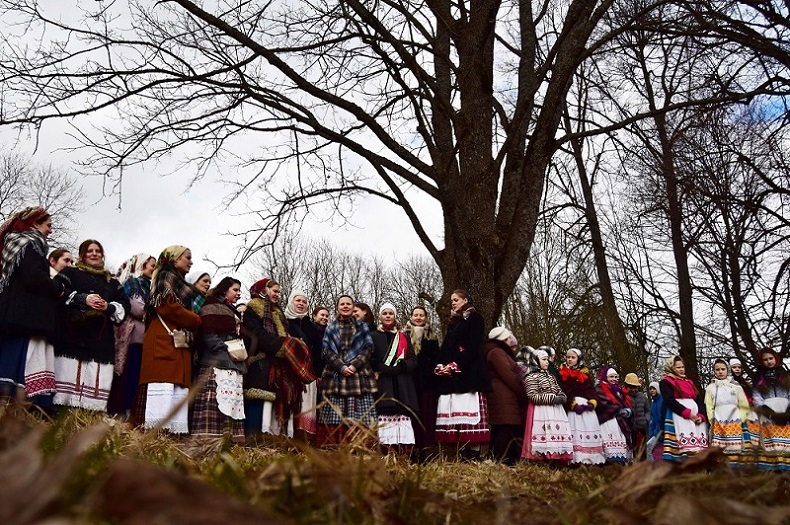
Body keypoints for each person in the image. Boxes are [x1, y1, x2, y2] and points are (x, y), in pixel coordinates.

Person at [132, 246, 203, 434]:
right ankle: (155, 436)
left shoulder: (178, 281)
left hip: (176, 339)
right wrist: (194, 319)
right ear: (174, 258)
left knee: (176, 387)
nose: (191, 261)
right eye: (187, 257)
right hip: (163, 337)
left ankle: (171, 435)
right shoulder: (166, 276)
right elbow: (166, 305)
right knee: (162, 383)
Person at [0, 207, 65, 409]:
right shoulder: (27, 245)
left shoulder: (22, 245)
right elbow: (34, 278)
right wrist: (58, 287)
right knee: (15, 361)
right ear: (35, 223)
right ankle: (11, 405)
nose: (50, 230)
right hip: (23, 317)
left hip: (21, 317)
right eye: (48, 225)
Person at [53, 239, 129, 412]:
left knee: (94, 388)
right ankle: (62, 416)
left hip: (100, 339)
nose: (94, 254)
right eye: (89, 251)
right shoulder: (70, 273)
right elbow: (57, 291)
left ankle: (88, 421)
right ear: (82, 254)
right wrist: (82, 298)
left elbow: (124, 305)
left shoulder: (112, 282)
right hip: (71, 335)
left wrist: (107, 306)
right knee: (67, 384)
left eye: (98, 251)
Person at [243, 279, 315, 440]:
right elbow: (257, 336)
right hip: (260, 363)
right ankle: (254, 440)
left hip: (278, 365)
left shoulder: (278, 313)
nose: (278, 295)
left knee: (276, 403)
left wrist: (290, 344)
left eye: (279, 292)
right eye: (275, 291)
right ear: (264, 290)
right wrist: (283, 346)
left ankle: (273, 440)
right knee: (259, 399)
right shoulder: (252, 309)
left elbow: (283, 335)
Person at [434, 290, 491, 460]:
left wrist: (456, 364)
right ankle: (457, 456)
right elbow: (446, 347)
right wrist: (441, 365)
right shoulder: (453, 322)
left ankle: (472, 456)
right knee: (457, 417)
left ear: (465, 300)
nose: (453, 303)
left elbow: (474, 346)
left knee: (469, 416)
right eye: (451, 300)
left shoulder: (475, 318)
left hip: (470, 375)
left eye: (456, 300)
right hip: (454, 378)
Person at [318, 294, 377, 445]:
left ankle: (359, 448)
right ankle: (333, 449)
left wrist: (353, 365)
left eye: (348, 304)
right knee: (334, 414)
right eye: (342, 304)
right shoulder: (331, 327)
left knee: (360, 415)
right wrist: (342, 366)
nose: (345, 306)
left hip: (358, 377)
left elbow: (368, 349)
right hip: (335, 376)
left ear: (352, 307)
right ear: (337, 307)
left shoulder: (362, 326)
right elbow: (326, 352)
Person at [192, 277, 247, 442]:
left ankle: (227, 440)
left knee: (231, 402)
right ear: (225, 290)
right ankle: (209, 439)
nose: (238, 293)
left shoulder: (232, 310)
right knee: (214, 400)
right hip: (215, 361)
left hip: (233, 362)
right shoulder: (211, 304)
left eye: (239, 290)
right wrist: (224, 348)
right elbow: (207, 333)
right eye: (235, 290)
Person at [107, 253, 155, 416]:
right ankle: (126, 410)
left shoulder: (151, 287)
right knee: (131, 374)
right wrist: (156, 314)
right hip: (135, 337)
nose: (154, 270)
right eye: (152, 265)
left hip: (147, 337)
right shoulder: (133, 283)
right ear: (142, 265)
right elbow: (137, 307)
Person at [372, 302, 419, 454]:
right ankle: (386, 454)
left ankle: (403, 455)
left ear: (395, 316)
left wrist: (401, 367)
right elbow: (370, 358)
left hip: (402, 383)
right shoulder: (373, 336)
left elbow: (413, 359)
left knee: (402, 419)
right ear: (380, 316)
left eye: (390, 313)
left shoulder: (403, 337)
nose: (387, 316)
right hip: (384, 384)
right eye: (385, 313)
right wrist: (380, 367)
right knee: (385, 418)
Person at [521, 348, 573, 462]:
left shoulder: (550, 376)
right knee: (542, 432)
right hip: (541, 411)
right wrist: (552, 399)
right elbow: (532, 396)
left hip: (555, 411)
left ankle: (555, 457)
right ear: (536, 361)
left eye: (547, 360)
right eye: (544, 359)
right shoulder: (531, 377)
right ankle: (540, 458)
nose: (547, 362)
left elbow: (558, 389)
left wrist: (562, 397)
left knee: (555, 432)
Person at [484, 327, 527, 465]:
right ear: (502, 339)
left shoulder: (498, 351)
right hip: (503, 395)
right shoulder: (497, 352)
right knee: (505, 426)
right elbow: (509, 375)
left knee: (502, 427)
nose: (510, 340)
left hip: (504, 395)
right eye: (508, 338)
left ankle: (498, 459)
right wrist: (523, 393)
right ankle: (503, 460)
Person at [284, 289, 322, 440]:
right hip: (290, 371)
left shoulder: (310, 325)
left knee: (306, 407)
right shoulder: (284, 321)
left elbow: (318, 351)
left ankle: (304, 441)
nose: (301, 304)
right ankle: (287, 438)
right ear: (291, 301)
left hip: (308, 374)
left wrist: (318, 372)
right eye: (298, 300)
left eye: (304, 301)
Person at [404, 305, 441, 462]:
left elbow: (436, 359)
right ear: (411, 317)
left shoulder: (432, 336)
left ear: (425, 317)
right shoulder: (403, 335)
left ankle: (426, 452)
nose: (418, 317)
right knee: (411, 416)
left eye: (421, 315)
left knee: (426, 417)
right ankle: (411, 450)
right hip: (409, 382)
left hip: (427, 383)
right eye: (415, 315)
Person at [557, 348, 605, 465]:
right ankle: (575, 459)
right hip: (573, 410)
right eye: (568, 357)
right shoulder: (562, 374)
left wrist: (592, 402)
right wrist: (572, 404)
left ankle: (592, 460)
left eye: (573, 357)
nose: (570, 360)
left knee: (588, 431)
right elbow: (562, 392)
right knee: (575, 433)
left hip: (587, 410)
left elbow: (592, 391)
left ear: (578, 359)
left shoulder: (585, 375)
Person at [659, 356, 708, 462]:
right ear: (671, 368)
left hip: (696, 420)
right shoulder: (666, 381)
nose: (681, 369)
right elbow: (669, 400)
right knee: (682, 450)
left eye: (682, 367)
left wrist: (700, 415)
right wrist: (688, 414)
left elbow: (698, 400)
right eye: (677, 367)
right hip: (678, 416)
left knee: (698, 449)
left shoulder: (689, 382)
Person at [752, 348, 790, 468]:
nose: (769, 361)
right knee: (772, 444)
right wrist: (768, 412)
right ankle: (774, 471)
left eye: (770, 358)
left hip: (785, 409)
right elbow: (756, 396)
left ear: (775, 358)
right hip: (767, 413)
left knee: (786, 444)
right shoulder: (758, 377)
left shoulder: (785, 375)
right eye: (765, 360)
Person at [705, 358, 750, 457]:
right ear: (714, 371)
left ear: (727, 370)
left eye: (723, 369)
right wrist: (712, 418)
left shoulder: (736, 386)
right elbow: (709, 405)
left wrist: (741, 418)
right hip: (718, 419)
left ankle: (736, 468)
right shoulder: (710, 388)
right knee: (720, 448)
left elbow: (744, 404)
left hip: (734, 419)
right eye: (717, 370)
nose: (720, 372)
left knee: (735, 447)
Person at [595, 367, 634, 463]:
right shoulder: (600, 388)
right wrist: (617, 410)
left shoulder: (618, 390)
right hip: (606, 421)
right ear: (606, 377)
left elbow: (622, 403)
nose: (614, 379)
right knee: (608, 445)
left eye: (615, 377)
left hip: (619, 422)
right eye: (611, 376)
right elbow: (603, 404)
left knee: (620, 443)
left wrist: (628, 411)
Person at [730, 357, 760, 449]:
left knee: (753, 431)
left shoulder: (745, 382)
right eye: (734, 367)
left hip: (750, 409)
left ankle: (754, 446)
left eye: (739, 367)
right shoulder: (730, 382)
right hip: (739, 409)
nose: (737, 369)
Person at [624, 373, 650, 459]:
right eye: (631, 387)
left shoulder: (643, 397)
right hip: (629, 431)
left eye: (635, 387)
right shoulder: (623, 397)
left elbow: (647, 411)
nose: (633, 389)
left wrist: (646, 420)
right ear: (626, 386)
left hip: (642, 430)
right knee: (631, 455)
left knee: (642, 454)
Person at [647, 381, 663, 460]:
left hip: (661, 431)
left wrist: (658, 432)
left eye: (654, 388)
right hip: (656, 432)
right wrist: (651, 434)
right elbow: (652, 421)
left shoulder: (662, 401)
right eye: (650, 389)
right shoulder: (653, 404)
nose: (652, 390)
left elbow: (661, 418)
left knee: (649, 446)